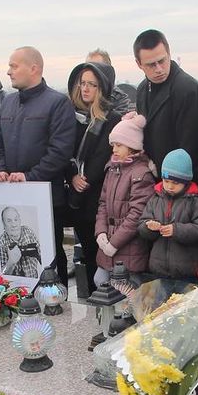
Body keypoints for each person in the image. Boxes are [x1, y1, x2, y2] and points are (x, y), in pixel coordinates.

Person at [0, 46, 77, 278]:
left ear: (34, 68)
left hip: (46, 197)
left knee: (48, 257)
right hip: (11, 198)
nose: (8, 72)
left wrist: (30, 177)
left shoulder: (57, 103)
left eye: (14, 66)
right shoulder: (8, 102)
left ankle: (56, 306)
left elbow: (60, 151)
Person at [132, 30, 198, 191]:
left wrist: (192, 195)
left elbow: (196, 151)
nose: (159, 69)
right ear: (139, 64)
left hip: (181, 190)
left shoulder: (188, 90)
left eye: (162, 61)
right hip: (154, 186)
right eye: (151, 64)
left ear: (169, 54)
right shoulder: (141, 90)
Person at [66, 60, 123, 275]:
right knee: (89, 253)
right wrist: (72, 176)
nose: (86, 88)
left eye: (92, 84)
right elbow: (64, 150)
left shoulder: (111, 119)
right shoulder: (72, 116)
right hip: (77, 195)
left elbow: (103, 155)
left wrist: (86, 178)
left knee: (102, 255)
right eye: (83, 83)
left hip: (99, 196)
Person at [138, 148, 198, 283]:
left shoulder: (195, 202)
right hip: (159, 270)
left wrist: (176, 230)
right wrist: (149, 226)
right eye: (166, 181)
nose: (170, 186)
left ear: (186, 182)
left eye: (175, 183)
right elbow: (142, 225)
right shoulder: (155, 200)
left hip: (187, 271)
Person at [94, 116, 154, 281]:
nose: (114, 149)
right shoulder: (112, 169)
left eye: (119, 145)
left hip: (129, 247)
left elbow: (137, 213)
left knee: (127, 292)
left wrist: (114, 243)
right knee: (100, 281)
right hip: (108, 243)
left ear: (132, 146)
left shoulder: (141, 173)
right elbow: (102, 205)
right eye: (113, 145)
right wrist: (100, 233)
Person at [86, 48, 133, 115]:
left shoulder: (119, 98)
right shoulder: (77, 95)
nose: (91, 72)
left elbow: (118, 121)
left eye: (96, 68)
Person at [0, 206, 42, 278]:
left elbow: (41, 253)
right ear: (3, 224)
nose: (14, 224)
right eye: (9, 221)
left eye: (16, 219)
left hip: (34, 279)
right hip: (13, 285)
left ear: (20, 220)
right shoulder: (1, 242)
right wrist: (10, 263)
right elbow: (0, 276)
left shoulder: (28, 231)